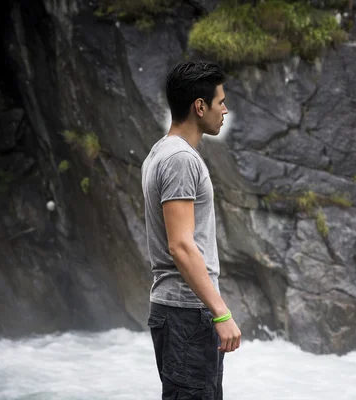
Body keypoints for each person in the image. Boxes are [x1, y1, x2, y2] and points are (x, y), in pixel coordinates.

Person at [141, 61, 241, 400]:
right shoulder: (180, 160)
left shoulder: (160, 152)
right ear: (200, 107)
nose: (225, 109)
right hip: (187, 314)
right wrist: (221, 312)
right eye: (220, 101)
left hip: (183, 313)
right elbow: (181, 245)